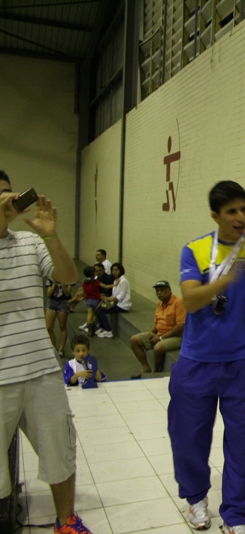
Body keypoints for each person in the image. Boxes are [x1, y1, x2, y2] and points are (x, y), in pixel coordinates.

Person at [168, 180, 245, 534]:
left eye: (244, 209)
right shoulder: (194, 250)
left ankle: (236, 514)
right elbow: (192, 300)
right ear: (215, 216)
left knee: (243, 442)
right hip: (196, 362)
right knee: (188, 438)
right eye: (232, 211)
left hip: (243, 362)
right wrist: (229, 275)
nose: (241, 217)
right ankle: (195, 499)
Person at [0, 171, 92, 533]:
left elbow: (68, 277)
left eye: (7, 193)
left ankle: (66, 520)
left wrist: (51, 237)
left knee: (59, 449)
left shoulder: (29, 242)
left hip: (41, 368)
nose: (6, 200)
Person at [130, 280, 186, 378]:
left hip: (177, 337)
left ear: (169, 290)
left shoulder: (178, 302)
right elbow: (156, 322)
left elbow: (180, 326)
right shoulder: (160, 304)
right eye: (157, 291)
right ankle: (146, 368)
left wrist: (161, 338)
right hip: (160, 334)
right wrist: (151, 333)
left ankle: (156, 371)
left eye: (162, 290)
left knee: (158, 348)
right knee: (134, 340)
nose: (159, 293)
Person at [95, 262, 131, 338]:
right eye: (113, 270)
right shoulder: (115, 281)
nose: (114, 272)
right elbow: (114, 294)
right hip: (116, 303)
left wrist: (107, 298)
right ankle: (102, 327)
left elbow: (120, 297)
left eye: (116, 270)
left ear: (120, 271)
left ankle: (108, 331)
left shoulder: (123, 281)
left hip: (122, 305)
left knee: (101, 310)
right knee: (98, 307)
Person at [45, 278, 72, 358]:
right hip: (52, 302)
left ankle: (61, 349)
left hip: (63, 302)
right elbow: (49, 294)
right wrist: (54, 284)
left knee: (62, 326)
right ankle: (54, 347)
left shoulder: (69, 279)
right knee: (48, 327)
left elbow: (67, 294)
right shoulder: (50, 279)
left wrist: (63, 283)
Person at [70, 265, 101, 335]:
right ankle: (92, 327)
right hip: (95, 299)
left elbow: (84, 290)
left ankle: (89, 326)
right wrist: (113, 285)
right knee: (94, 314)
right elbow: (105, 286)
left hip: (89, 299)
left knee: (89, 314)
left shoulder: (86, 282)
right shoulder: (96, 281)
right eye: (95, 271)